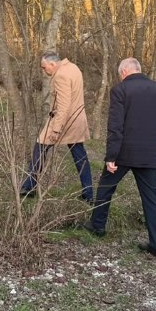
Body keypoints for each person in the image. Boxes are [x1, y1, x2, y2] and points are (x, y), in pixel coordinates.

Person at [84, 58, 156, 257]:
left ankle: (97, 226)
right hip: (149, 154)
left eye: (120, 74)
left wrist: (111, 156)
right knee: (152, 198)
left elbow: (115, 127)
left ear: (124, 71)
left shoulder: (120, 90)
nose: (120, 77)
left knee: (105, 188)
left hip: (124, 153)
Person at [20, 52, 93, 203]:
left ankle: (29, 188)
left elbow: (64, 106)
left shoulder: (61, 76)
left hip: (64, 121)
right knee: (80, 156)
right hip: (77, 119)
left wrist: (55, 129)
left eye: (44, 67)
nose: (44, 71)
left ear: (53, 64)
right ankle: (89, 193)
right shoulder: (73, 67)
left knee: (39, 148)